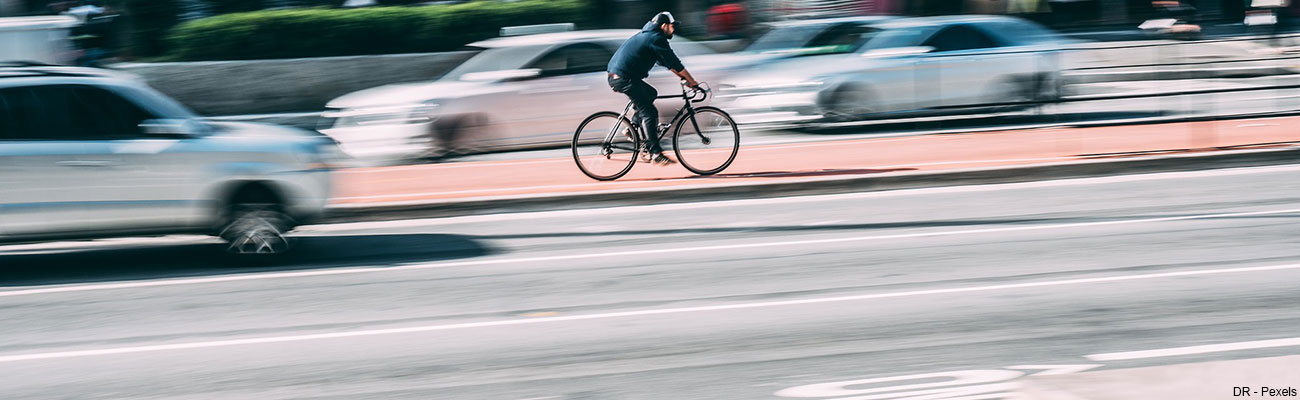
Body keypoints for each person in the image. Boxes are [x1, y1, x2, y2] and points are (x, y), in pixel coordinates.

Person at [607, 11, 701, 166]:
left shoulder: (649, 36)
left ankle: (633, 127)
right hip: (623, 79)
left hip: (621, 76)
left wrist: (684, 78)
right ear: (664, 26)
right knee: (650, 112)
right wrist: (692, 81)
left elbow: (667, 63)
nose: (673, 30)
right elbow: (674, 62)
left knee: (651, 93)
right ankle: (656, 153)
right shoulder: (656, 38)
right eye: (672, 27)